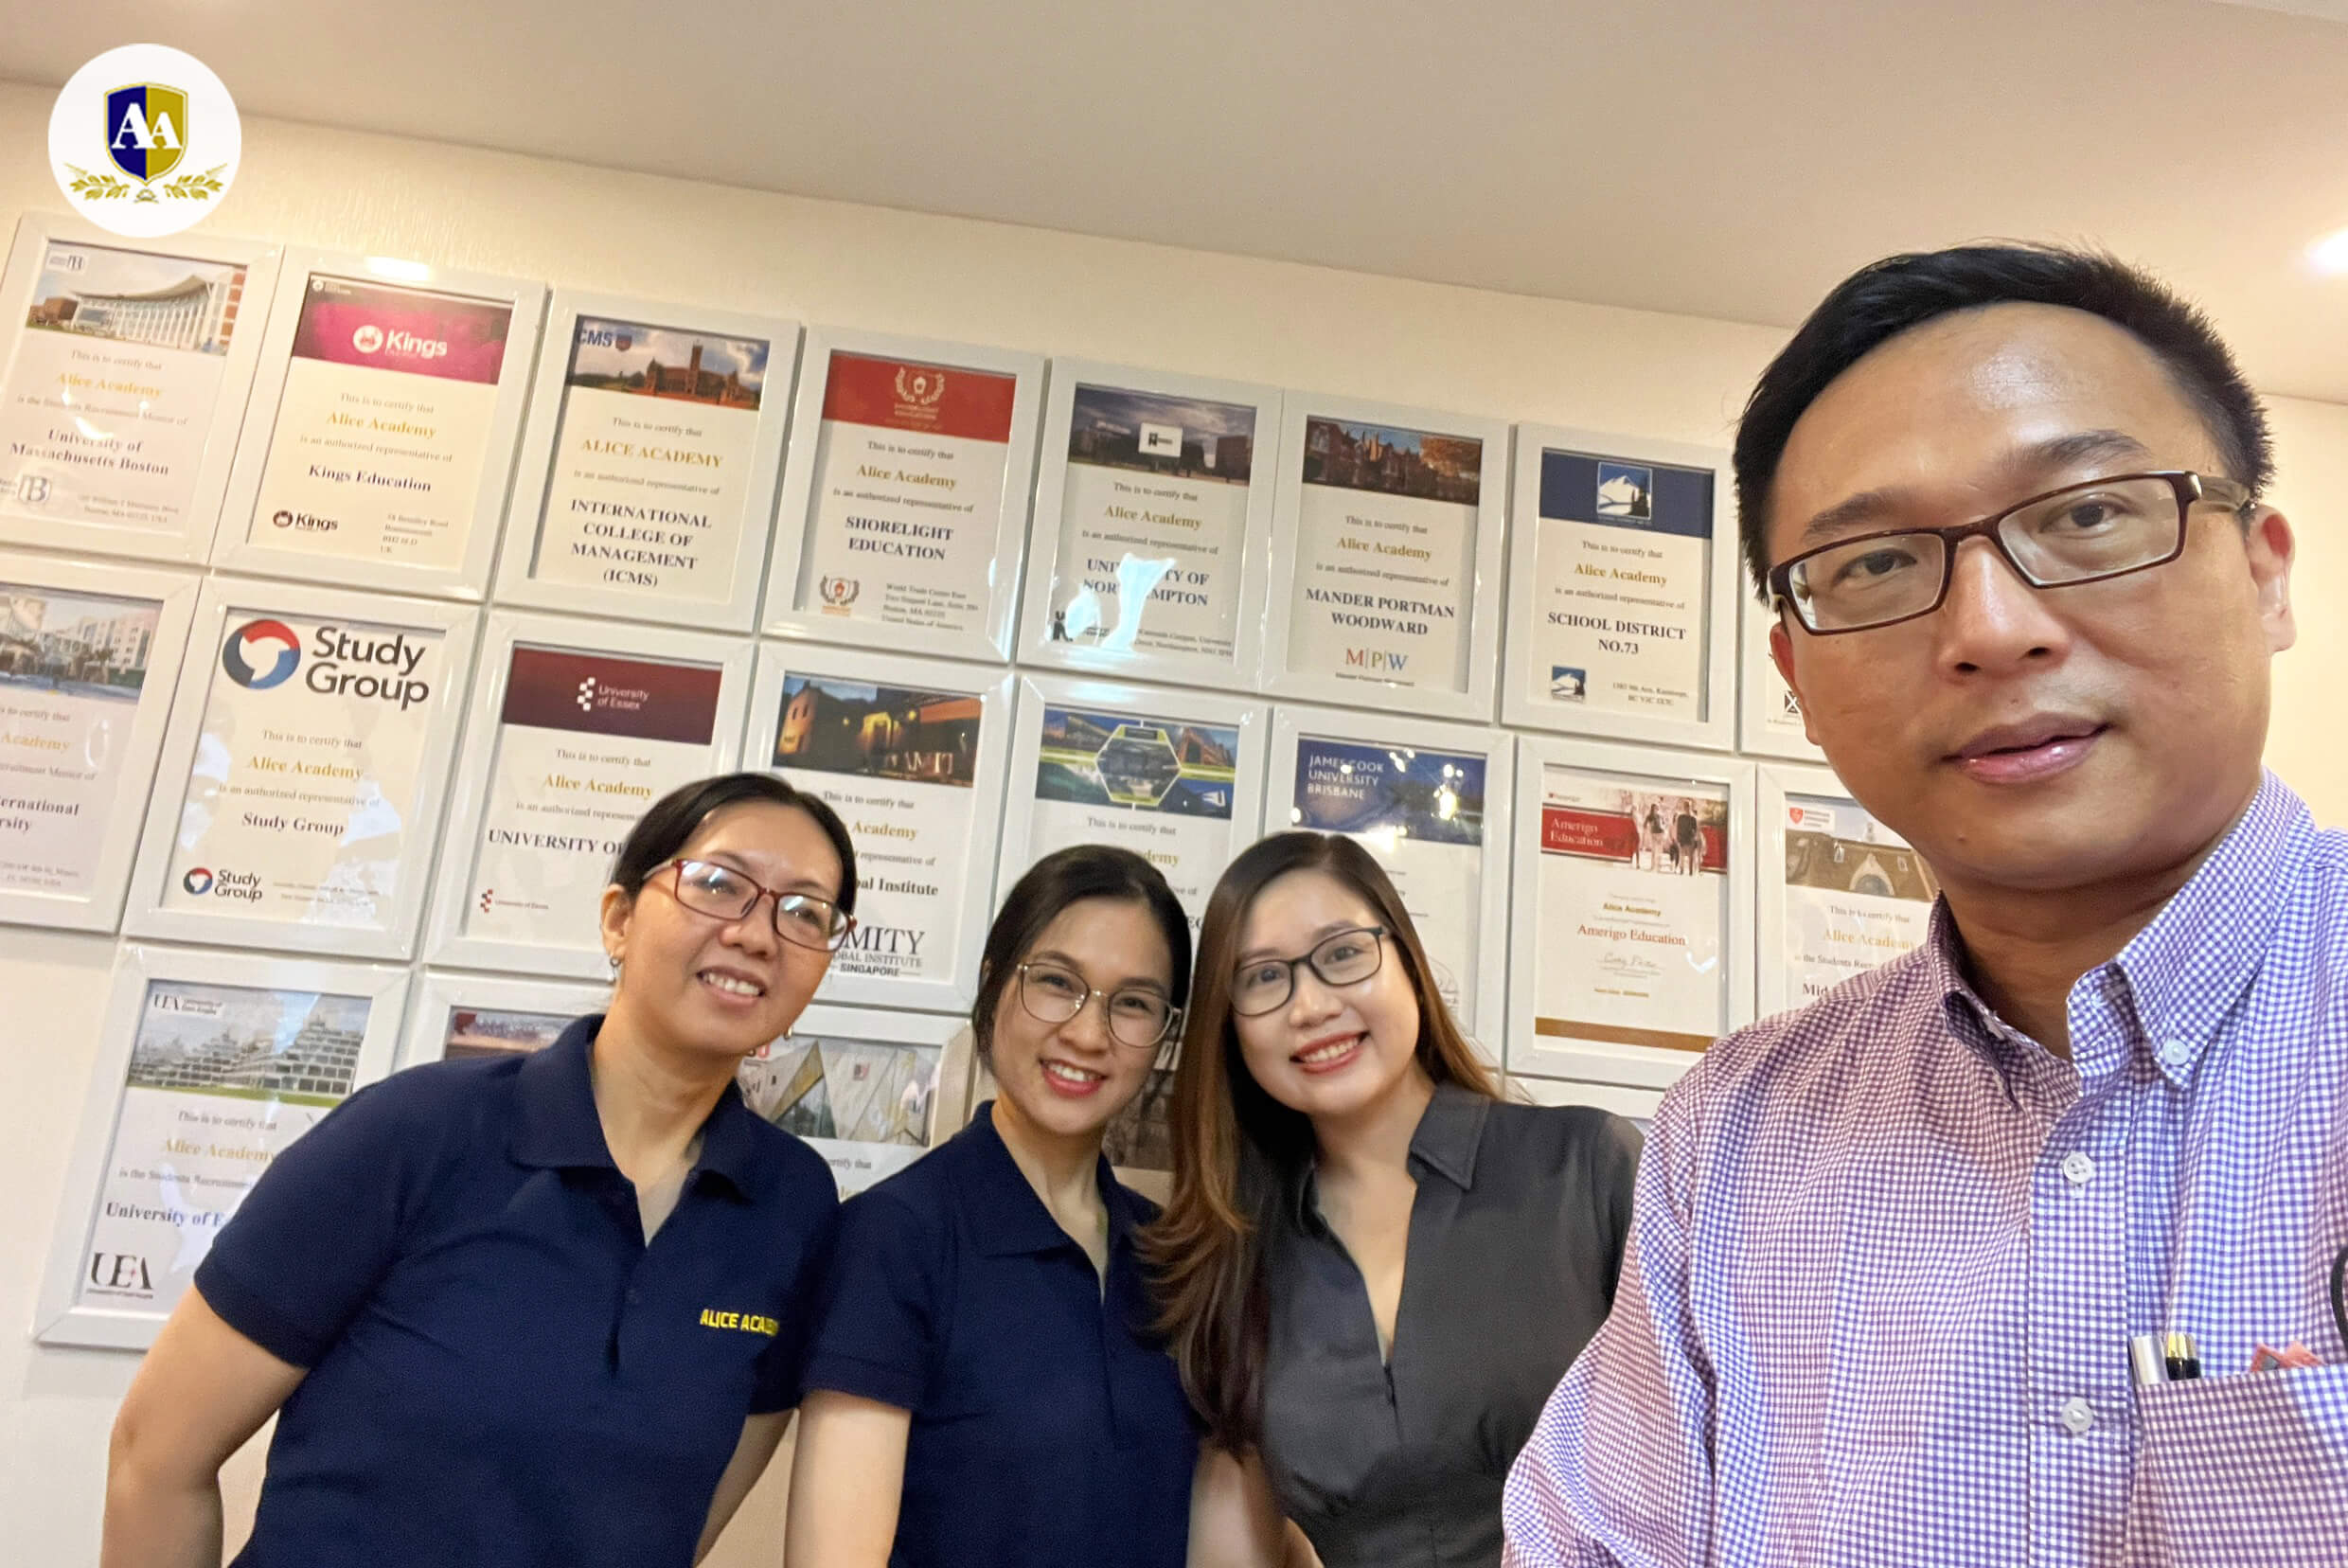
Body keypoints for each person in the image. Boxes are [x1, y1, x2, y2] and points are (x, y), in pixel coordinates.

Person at [1503, 244, 2348, 1567]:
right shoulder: (1735, 1131)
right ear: (1793, 671)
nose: (1991, 630)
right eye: (1878, 564)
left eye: (2086, 515)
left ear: (2264, 571)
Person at [101, 774, 858, 1568]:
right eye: (719, 884)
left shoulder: (793, 1205)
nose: (758, 934)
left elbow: (677, 1529)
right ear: (619, 919)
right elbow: (155, 1460)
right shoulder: (417, 1132)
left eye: (806, 911)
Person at [1153, 832, 1641, 1568]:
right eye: (1263, 977)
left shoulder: (1587, 1169)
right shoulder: (1236, 1259)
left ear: (1408, 962)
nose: (1310, 1005)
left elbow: (1736, 1456)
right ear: (1230, 1025)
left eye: (1343, 953)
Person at [786, 845, 1199, 1568]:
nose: (1088, 1033)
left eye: (1133, 1002)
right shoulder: (895, 1237)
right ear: (992, 983)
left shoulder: (1172, 1254)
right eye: (1057, 982)